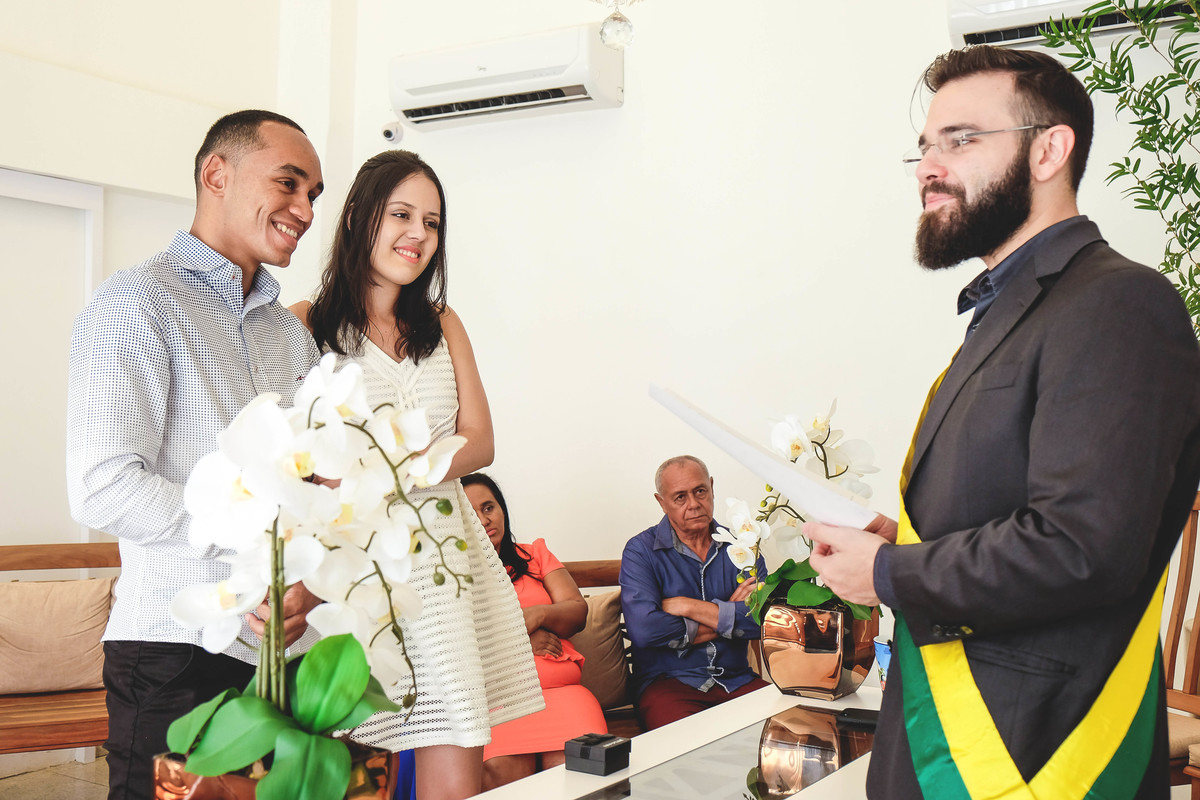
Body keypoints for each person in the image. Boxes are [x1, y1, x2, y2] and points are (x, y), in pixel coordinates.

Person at [805, 46, 1200, 799]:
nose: (930, 166)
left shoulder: (1120, 304)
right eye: (924, 147)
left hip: (1037, 746)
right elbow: (1013, 505)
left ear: (1050, 149)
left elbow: (1083, 545)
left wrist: (888, 573)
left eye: (961, 139)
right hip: (958, 726)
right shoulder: (1015, 308)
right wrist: (899, 545)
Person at [66, 110, 326, 800]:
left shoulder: (292, 337)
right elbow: (103, 486)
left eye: (313, 196)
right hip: (173, 653)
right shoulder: (136, 303)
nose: (303, 210)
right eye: (289, 183)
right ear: (217, 173)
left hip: (283, 653)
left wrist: (304, 581)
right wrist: (254, 552)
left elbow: (310, 488)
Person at [289, 150, 541, 800]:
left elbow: (479, 441)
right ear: (359, 218)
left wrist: (384, 468)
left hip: (445, 567)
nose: (419, 235)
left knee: (453, 768)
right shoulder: (307, 323)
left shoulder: (442, 323)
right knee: (348, 771)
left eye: (432, 222)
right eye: (402, 214)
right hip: (356, 572)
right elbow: (300, 462)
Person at [461, 472, 608, 791]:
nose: (484, 520)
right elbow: (458, 644)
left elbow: (576, 612)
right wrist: (519, 639)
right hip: (501, 702)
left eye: (489, 507)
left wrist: (537, 614)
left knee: (580, 776)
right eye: (471, 514)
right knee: (504, 775)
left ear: (502, 510)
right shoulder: (453, 577)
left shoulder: (535, 555)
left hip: (564, 697)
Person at [619, 455, 769, 731]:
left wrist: (688, 606)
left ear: (711, 487)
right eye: (680, 497)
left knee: (784, 736)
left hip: (737, 679)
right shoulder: (640, 551)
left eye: (700, 491)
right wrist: (728, 613)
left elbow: (763, 620)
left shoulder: (743, 545)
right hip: (669, 683)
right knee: (683, 756)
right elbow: (645, 630)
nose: (694, 504)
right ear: (661, 502)